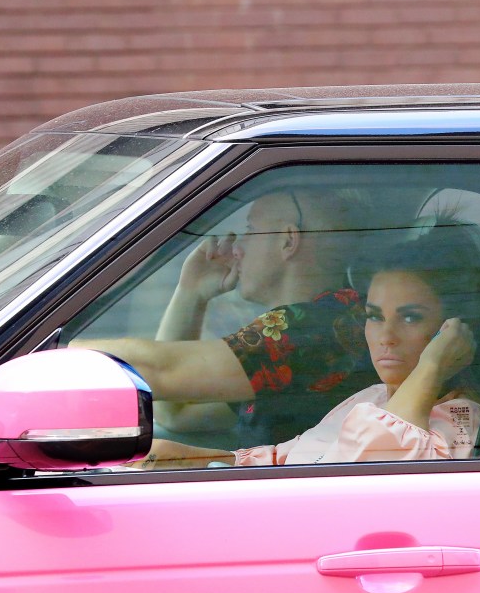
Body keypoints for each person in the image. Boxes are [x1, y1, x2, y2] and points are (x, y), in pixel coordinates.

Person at [132, 220, 480, 468]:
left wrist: (431, 367)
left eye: (410, 317)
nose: (385, 335)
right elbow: (286, 460)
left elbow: (367, 462)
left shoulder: (460, 421)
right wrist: (194, 460)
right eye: (374, 315)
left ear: (453, 332)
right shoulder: (374, 396)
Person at [72, 186, 377, 446]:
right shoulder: (326, 323)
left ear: (287, 241)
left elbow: (157, 370)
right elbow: (176, 412)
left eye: (250, 230)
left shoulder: (310, 328)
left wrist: (40, 355)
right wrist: (191, 293)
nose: (237, 249)